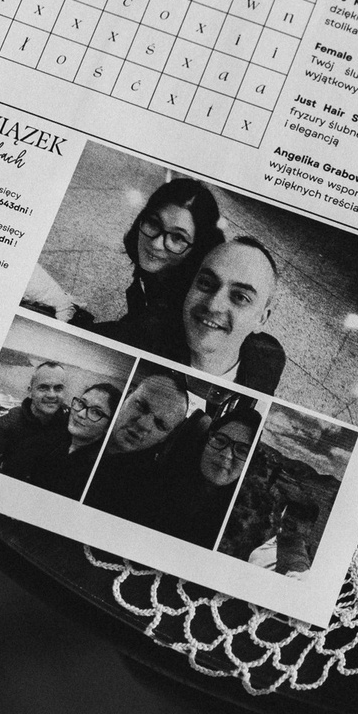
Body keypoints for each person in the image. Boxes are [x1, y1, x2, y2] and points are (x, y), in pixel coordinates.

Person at [90, 178, 224, 360]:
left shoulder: (176, 315)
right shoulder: (163, 273)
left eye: (178, 237)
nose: (156, 243)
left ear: (197, 249)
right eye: (154, 223)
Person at [81, 371, 193, 523]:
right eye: (141, 406)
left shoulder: (147, 493)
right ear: (127, 395)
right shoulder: (76, 426)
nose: (143, 424)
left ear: (165, 437)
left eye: (160, 424)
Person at [179, 237, 284, 392]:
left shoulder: (269, 359)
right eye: (206, 283)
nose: (213, 305)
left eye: (240, 297)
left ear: (261, 319)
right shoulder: (144, 340)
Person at [150, 399, 260, 547]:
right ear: (205, 442)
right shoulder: (158, 482)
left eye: (242, 450)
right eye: (220, 440)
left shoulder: (238, 527)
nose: (226, 455)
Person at [0, 381, 118, 499]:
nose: (81, 414)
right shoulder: (52, 436)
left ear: (109, 426)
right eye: (81, 403)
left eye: (96, 412)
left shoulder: (98, 471)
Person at [0, 360, 68, 468]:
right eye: (43, 387)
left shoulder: (69, 422)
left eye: (58, 388)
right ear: (30, 392)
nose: (51, 395)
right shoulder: (8, 425)